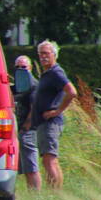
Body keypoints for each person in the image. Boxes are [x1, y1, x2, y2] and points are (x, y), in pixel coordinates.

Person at [26, 40, 77, 189]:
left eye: (46, 53)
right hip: (43, 123)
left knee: (50, 160)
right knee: (48, 159)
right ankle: (55, 192)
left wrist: (58, 111)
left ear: (54, 54)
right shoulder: (47, 73)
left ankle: (55, 194)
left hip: (51, 123)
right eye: (40, 54)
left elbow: (72, 92)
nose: (43, 57)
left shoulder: (56, 72)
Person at [12, 55, 40, 190]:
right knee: (18, 167)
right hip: (16, 131)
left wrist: (26, 127)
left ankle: (36, 196)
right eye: (17, 67)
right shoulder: (16, 86)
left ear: (30, 68)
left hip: (27, 130)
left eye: (24, 67)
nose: (20, 70)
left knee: (31, 166)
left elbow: (35, 108)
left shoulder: (33, 86)